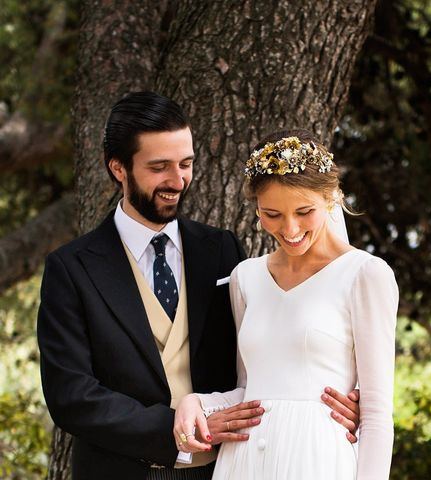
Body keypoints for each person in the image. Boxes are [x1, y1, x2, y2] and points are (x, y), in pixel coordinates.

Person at [37, 92, 360, 480]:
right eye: (159, 167)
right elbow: (71, 397)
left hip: (227, 469)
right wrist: (171, 430)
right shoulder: (71, 269)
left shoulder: (222, 250)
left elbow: (266, 358)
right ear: (119, 168)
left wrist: (338, 399)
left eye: (186, 164)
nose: (178, 180)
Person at [174, 132, 399, 479]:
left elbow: (377, 415)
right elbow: (252, 390)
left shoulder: (365, 275)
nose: (290, 228)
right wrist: (197, 403)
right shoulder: (245, 278)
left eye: (304, 211)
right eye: (273, 214)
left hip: (317, 461)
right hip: (243, 463)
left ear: (331, 198)